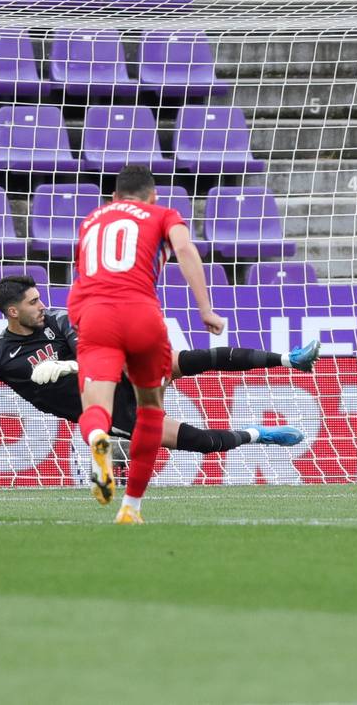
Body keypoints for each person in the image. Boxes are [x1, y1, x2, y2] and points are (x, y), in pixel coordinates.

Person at [0, 273, 320, 460]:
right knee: (196, 442)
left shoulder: (59, 321)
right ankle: (259, 435)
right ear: (13, 312)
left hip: (107, 380)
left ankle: (289, 359)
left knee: (176, 359)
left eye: (40, 297)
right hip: (104, 412)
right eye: (32, 302)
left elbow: (88, 351)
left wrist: (65, 366)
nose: (41, 304)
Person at [69, 164, 226, 523]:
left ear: (113, 197)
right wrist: (205, 309)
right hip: (143, 315)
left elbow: (81, 278)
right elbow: (185, 249)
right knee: (151, 409)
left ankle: (97, 439)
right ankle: (131, 507)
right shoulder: (163, 213)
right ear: (153, 196)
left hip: (96, 316)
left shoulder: (92, 220)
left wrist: (82, 321)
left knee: (95, 407)